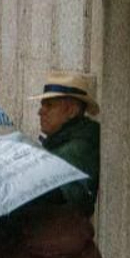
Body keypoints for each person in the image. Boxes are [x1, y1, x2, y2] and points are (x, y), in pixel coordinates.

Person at [33, 71, 100, 216]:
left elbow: (61, 198)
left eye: (49, 105)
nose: (40, 111)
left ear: (71, 111)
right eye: (42, 105)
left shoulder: (78, 149)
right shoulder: (61, 143)